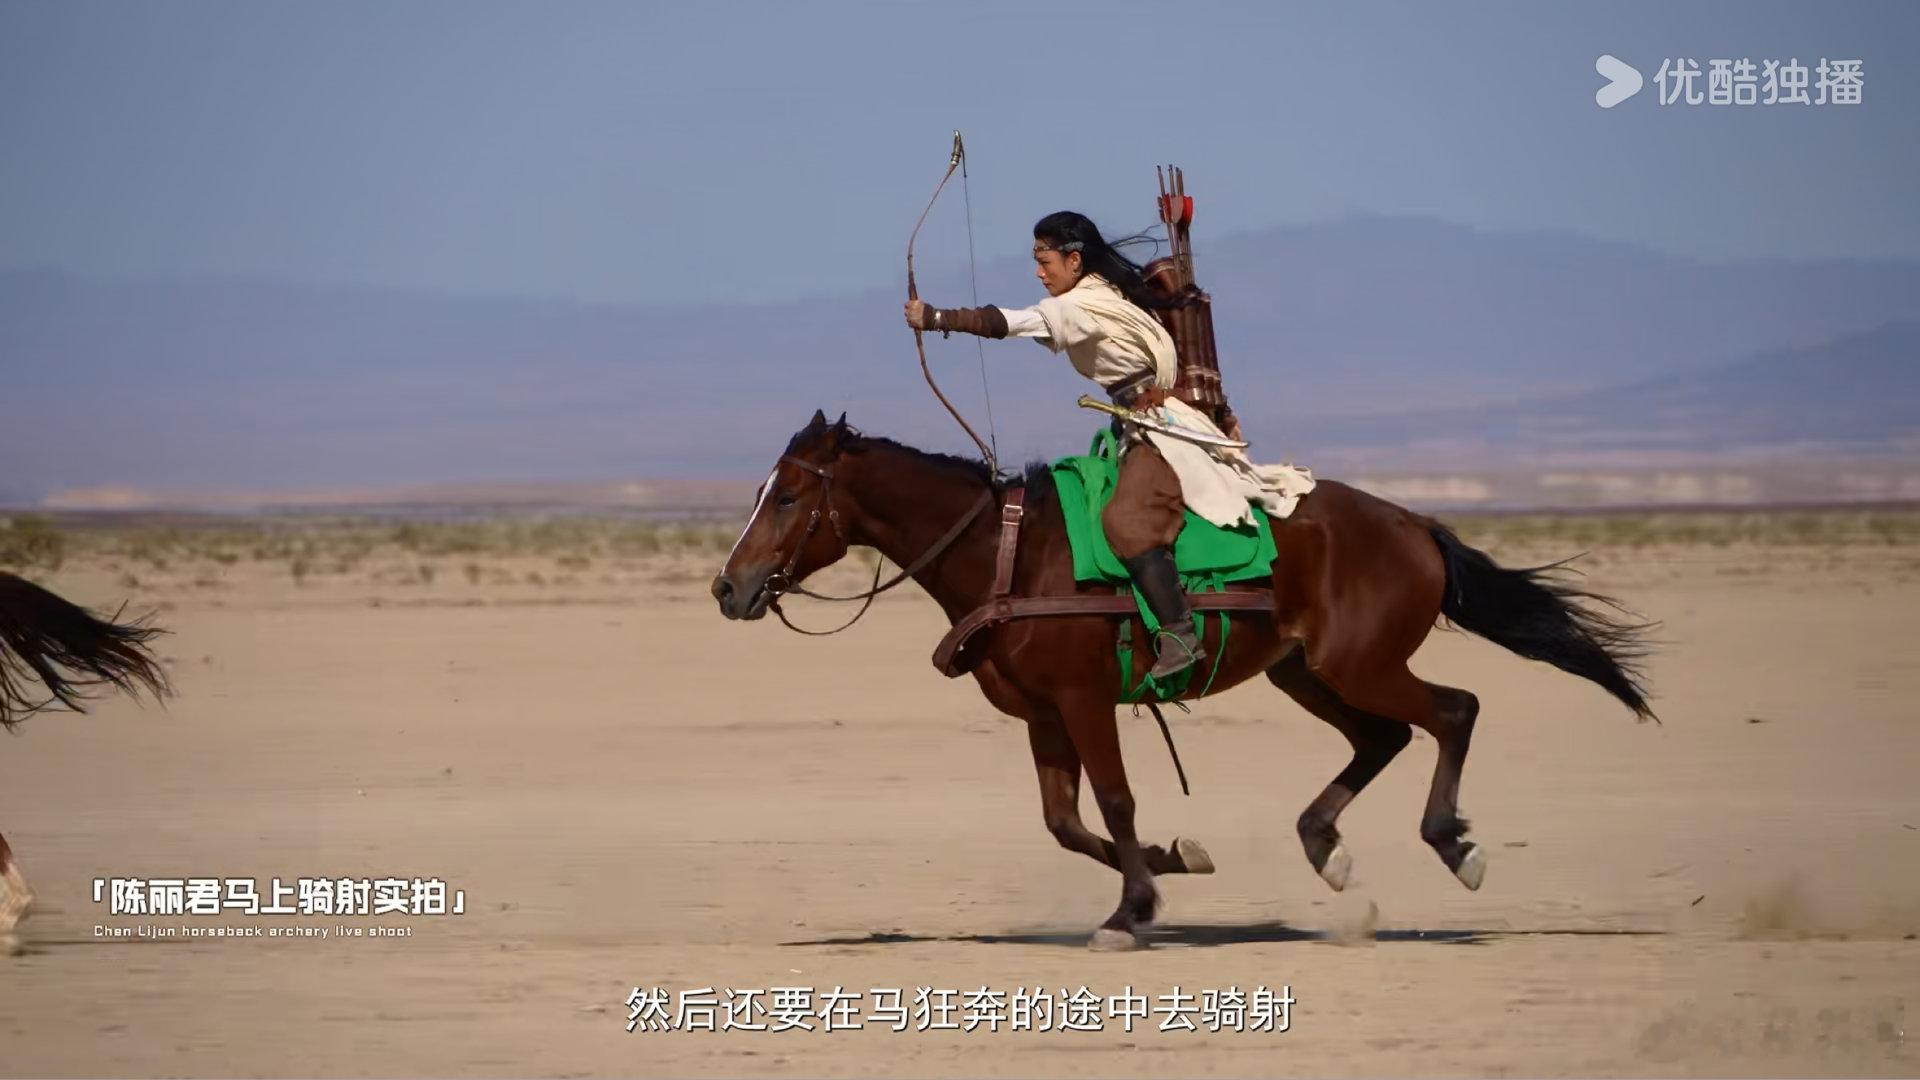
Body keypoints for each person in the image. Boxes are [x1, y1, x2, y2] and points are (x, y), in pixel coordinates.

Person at [904, 210, 1217, 679]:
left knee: (1127, 522)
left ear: (1074, 261)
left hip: (1161, 432)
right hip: (1138, 426)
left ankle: (1180, 634)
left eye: (1044, 261)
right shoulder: (1108, 296)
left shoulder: (1083, 306)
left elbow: (1013, 322)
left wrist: (936, 318)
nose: (1038, 272)